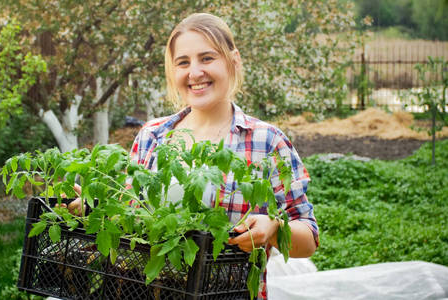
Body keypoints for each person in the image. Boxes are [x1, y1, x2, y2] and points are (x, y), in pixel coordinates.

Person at [66, 13, 318, 299]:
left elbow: (308, 239)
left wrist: (274, 228)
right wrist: (95, 208)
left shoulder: (267, 142)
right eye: (183, 62)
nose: (195, 72)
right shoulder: (153, 135)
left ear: (233, 60)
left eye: (207, 58)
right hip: (141, 290)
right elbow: (131, 217)